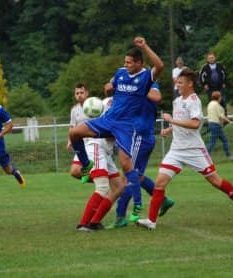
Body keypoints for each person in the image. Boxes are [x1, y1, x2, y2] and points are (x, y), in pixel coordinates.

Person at [137, 68, 233, 230]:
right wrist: (169, 130)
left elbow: (195, 123)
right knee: (160, 183)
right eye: (177, 82)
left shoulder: (194, 101)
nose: (177, 85)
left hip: (194, 150)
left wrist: (172, 121)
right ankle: (151, 221)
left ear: (190, 84)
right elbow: (182, 121)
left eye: (180, 82)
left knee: (216, 181)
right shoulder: (177, 101)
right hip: (176, 150)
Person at [69, 36, 164, 225]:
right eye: (125, 62)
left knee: (126, 165)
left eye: (129, 62)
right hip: (107, 119)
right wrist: (110, 86)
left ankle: (137, 204)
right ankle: (87, 165)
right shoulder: (121, 72)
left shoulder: (146, 77)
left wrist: (145, 46)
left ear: (139, 63)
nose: (126, 65)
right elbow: (112, 83)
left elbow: (160, 65)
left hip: (126, 126)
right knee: (75, 133)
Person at [106, 83, 175, 229]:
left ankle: (120, 217)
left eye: (129, 63)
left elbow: (156, 96)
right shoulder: (131, 83)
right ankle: (163, 200)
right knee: (137, 176)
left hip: (140, 137)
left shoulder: (149, 85)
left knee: (128, 177)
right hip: (140, 136)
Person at [76, 97, 126, 232]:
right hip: (97, 147)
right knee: (103, 187)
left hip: (106, 151)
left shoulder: (111, 102)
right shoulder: (118, 105)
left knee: (118, 187)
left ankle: (95, 222)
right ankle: (83, 224)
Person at [67, 83, 90, 179]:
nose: (79, 95)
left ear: (87, 93)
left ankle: (102, 181)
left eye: (81, 92)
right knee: (74, 172)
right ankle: (102, 181)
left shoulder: (94, 105)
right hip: (81, 145)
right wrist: (69, 140)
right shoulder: (74, 110)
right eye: (77, 93)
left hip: (95, 142)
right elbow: (72, 126)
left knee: (80, 169)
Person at [206, 91, 233, 158]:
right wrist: (229, 121)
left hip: (211, 124)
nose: (221, 98)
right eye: (220, 96)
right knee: (213, 142)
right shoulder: (217, 105)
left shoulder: (210, 104)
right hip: (216, 125)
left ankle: (228, 155)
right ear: (219, 97)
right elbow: (221, 115)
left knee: (220, 141)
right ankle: (205, 157)